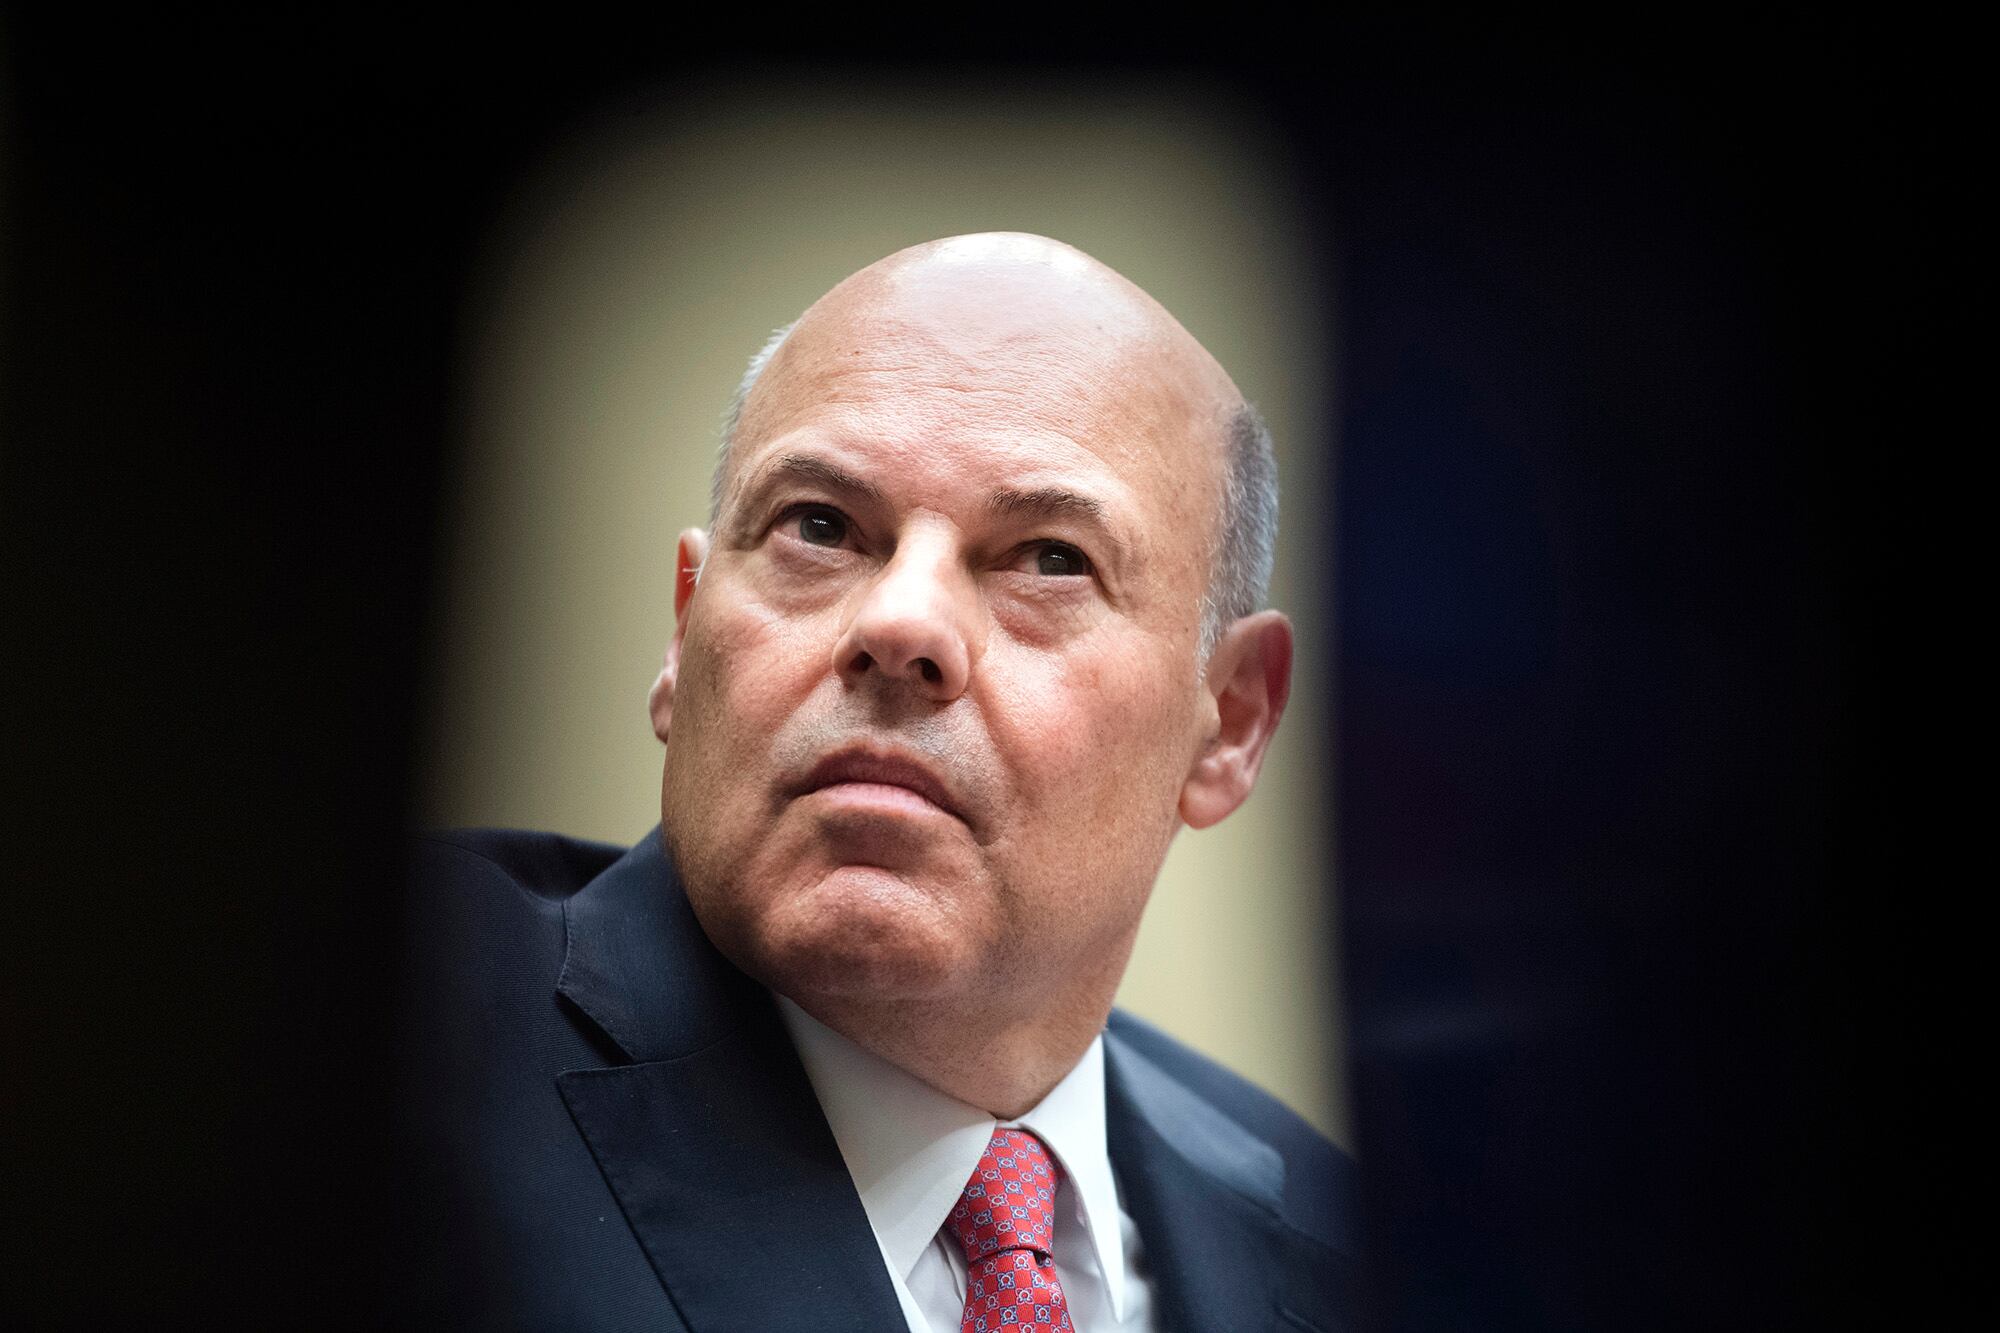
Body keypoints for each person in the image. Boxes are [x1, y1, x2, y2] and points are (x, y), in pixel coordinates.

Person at [398, 233, 1357, 1331]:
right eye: (819, 527)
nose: (899, 623)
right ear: (683, 631)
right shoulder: (404, 1029)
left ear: (1228, 719)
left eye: (1048, 556)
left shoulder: (1348, 1248)